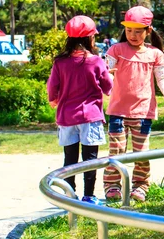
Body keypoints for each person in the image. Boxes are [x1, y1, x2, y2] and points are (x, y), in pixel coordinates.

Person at [103, 6, 164, 202]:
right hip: (118, 110)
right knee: (116, 151)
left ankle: (141, 186)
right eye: (129, 30)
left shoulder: (154, 54)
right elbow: (105, 71)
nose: (133, 35)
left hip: (143, 112)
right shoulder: (116, 50)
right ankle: (111, 186)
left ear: (148, 31)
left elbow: (161, 77)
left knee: (141, 153)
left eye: (138, 31)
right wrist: (106, 75)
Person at [47, 15, 114, 205]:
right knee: (90, 159)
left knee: (70, 159)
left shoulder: (60, 62)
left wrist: (53, 100)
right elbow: (108, 85)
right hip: (90, 117)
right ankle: (89, 196)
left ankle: (69, 194)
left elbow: (53, 87)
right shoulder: (96, 61)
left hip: (67, 117)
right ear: (89, 39)